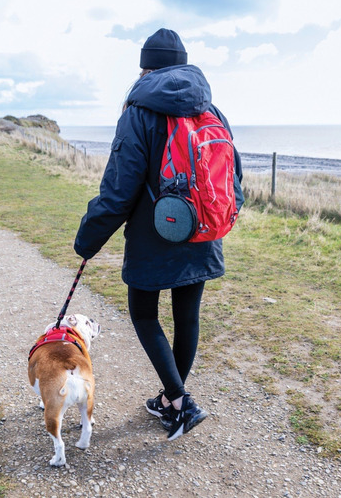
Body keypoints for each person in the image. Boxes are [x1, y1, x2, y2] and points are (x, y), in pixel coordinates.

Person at [74, 28, 243, 441]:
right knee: (187, 317)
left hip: (156, 235)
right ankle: (172, 401)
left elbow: (118, 189)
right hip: (204, 232)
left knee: (145, 315)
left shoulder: (138, 110)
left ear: (145, 68)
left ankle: (180, 403)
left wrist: (87, 240)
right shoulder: (211, 109)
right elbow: (234, 177)